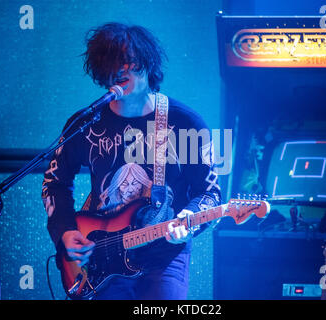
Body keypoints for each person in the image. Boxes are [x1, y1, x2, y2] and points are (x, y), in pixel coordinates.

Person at [41, 22, 221, 300]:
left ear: (148, 65)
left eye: (129, 61)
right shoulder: (85, 124)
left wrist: (189, 220)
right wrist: (65, 231)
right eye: (111, 63)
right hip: (101, 257)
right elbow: (55, 182)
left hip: (164, 254)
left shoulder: (185, 123)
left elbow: (210, 193)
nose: (120, 69)